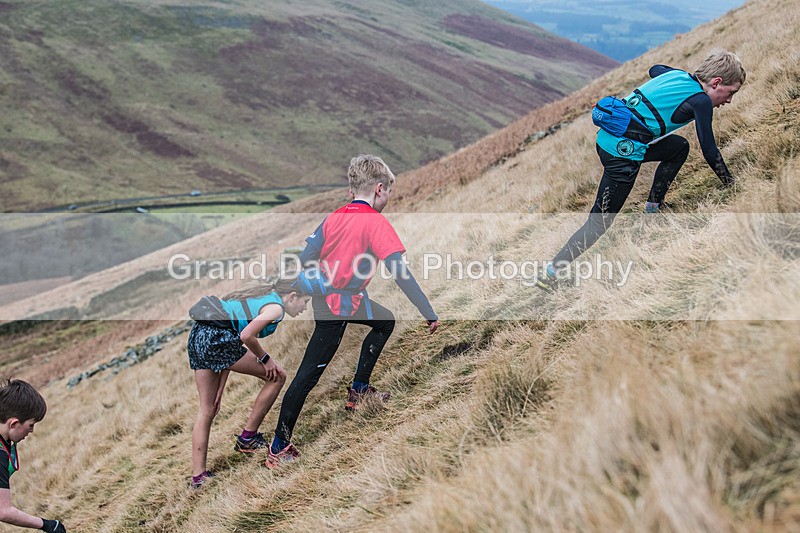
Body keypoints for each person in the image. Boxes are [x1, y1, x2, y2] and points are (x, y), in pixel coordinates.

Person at [266, 154, 440, 467]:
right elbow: (400, 273)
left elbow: (307, 256)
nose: (388, 198)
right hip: (336, 309)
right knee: (307, 376)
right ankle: (279, 447)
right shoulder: (375, 222)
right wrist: (427, 310)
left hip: (343, 300)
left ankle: (359, 391)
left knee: (385, 321)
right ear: (379, 189)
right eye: (388, 192)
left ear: (351, 191)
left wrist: (308, 281)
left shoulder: (333, 217)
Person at [536, 50, 746, 291]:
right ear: (716, 82)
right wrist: (731, 184)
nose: (729, 101)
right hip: (621, 156)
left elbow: (655, 68)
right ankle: (550, 273)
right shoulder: (700, 101)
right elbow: (709, 149)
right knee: (599, 222)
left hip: (608, 140)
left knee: (678, 147)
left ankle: (652, 208)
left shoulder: (677, 76)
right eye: (731, 93)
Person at [187, 278, 310, 488]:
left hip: (199, 336)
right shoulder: (275, 309)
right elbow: (246, 335)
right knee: (278, 376)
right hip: (217, 339)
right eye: (305, 301)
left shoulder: (263, 296)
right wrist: (265, 359)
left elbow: (230, 336)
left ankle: (198, 478)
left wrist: (221, 386)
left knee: (208, 409)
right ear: (292, 297)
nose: (305, 308)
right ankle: (248, 437)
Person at [0, 379, 66, 533]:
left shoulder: (6, 440)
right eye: (30, 425)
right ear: (13, 424)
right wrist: (47, 525)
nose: (32, 431)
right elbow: (3, 511)